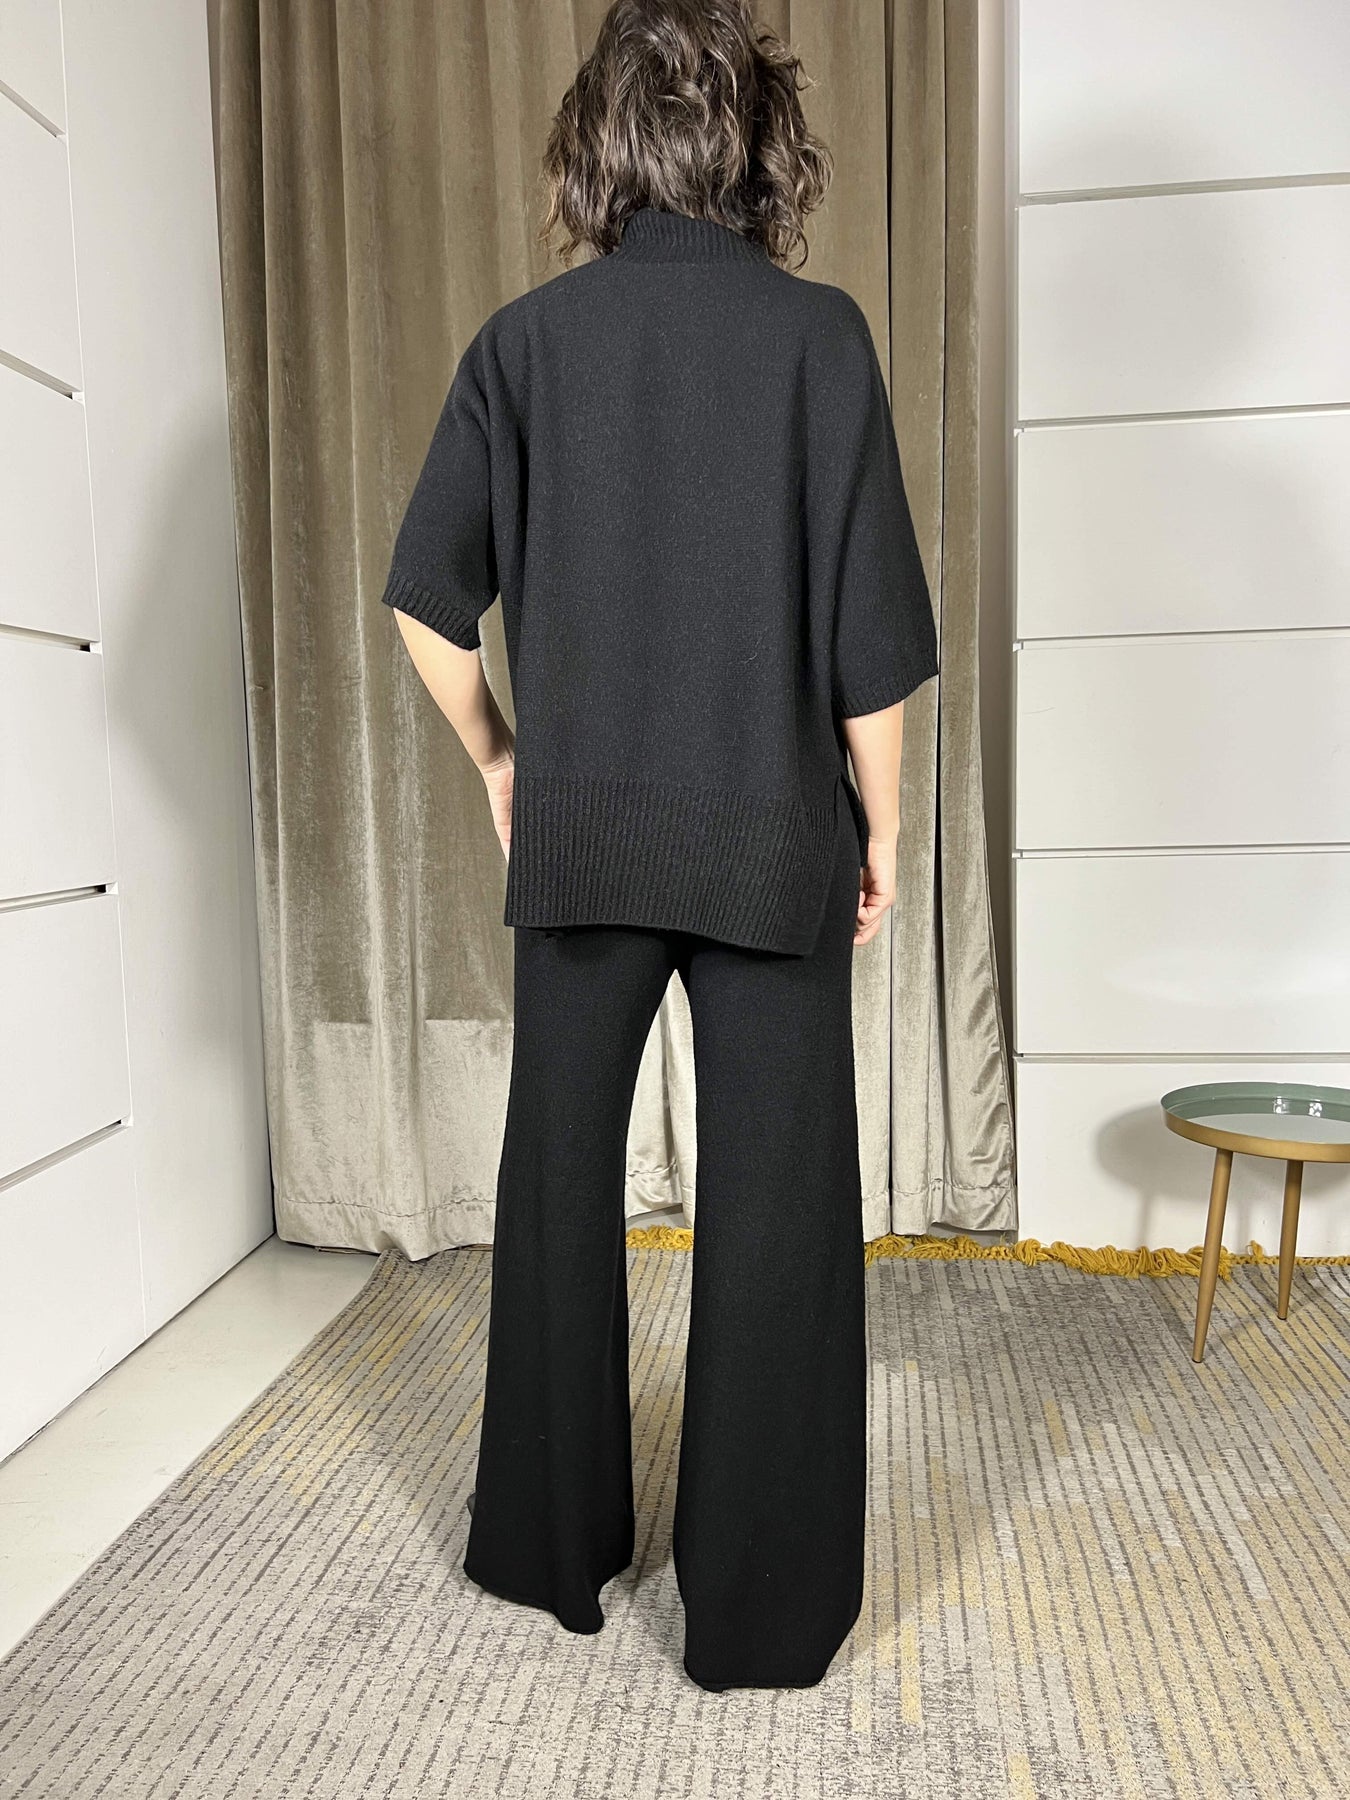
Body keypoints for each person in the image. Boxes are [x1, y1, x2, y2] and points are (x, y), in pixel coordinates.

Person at [379, 0, 938, 1693]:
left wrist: (504, 760)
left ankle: (549, 1551)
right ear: (757, 139)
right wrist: (882, 828)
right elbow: (870, 651)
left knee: (557, 1189)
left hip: (585, 838)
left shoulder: (525, 344)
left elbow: (423, 601)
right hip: (770, 837)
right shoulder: (819, 339)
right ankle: (758, 1614)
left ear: (596, 140)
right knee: (777, 1216)